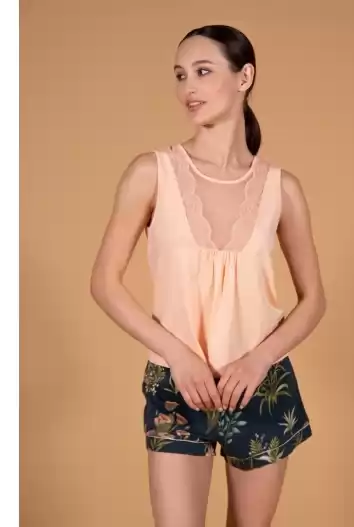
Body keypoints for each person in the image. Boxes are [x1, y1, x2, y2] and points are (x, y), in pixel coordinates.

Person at [90, 24, 326, 527]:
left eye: (202, 72)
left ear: (245, 77)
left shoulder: (282, 189)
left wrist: (259, 360)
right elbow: (104, 283)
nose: (187, 88)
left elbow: (313, 301)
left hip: (261, 385)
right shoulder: (151, 173)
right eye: (180, 75)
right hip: (177, 384)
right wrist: (179, 356)